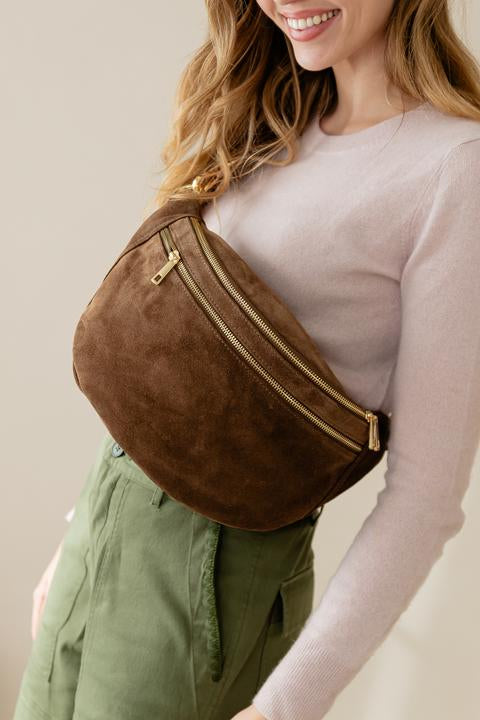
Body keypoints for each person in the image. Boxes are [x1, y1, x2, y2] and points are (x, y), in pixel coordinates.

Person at [13, 1, 480, 719]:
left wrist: (282, 708)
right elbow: (178, 366)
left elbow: (425, 499)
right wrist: (85, 528)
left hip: (206, 576)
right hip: (105, 524)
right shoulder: (275, 115)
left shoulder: (454, 169)